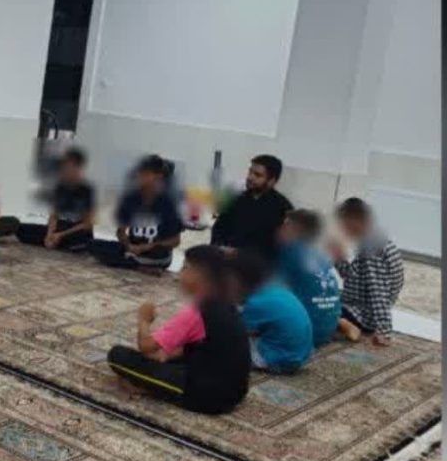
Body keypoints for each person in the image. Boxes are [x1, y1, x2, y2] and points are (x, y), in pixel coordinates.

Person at [106, 245, 250, 415]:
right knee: (167, 357)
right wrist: (166, 356)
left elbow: (146, 346)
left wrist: (144, 321)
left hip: (208, 398)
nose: (180, 274)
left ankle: (147, 388)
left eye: (185, 268)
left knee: (117, 356)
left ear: (201, 276)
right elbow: (200, 344)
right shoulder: (225, 302)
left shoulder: (197, 312)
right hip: (235, 392)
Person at [328, 198, 404, 346]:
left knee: (319, 307)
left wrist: (384, 330)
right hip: (359, 305)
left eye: (343, 225)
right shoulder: (374, 241)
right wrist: (338, 258)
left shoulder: (372, 250)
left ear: (355, 221)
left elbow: (378, 292)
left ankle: (346, 324)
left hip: (363, 315)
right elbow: (353, 277)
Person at [89, 154, 181, 271]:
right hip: (133, 249)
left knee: (117, 258)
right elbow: (121, 232)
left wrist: (147, 247)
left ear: (158, 177)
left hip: (156, 253)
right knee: (93, 245)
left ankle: (136, 262)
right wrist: (129, 246)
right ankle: (135, 262)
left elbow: (175, 241)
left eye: (146, 174)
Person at [230, 250, 313, 374]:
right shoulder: (276, 289)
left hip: (279, 361)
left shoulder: (254, 303)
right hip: (301, 356)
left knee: (228, 343)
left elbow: (238, 332)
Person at [276, 209, 342, 347]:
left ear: (293, 230)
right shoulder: (320, 254)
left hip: (302, 333)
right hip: (326, 329)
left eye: (285, 225)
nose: (279, 229)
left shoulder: (289, 252)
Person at [211, 154, 293, 261]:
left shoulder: (283, 208)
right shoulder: (237, 199)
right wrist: (219, 249)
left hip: (258, 265)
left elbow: (280, 248)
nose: (250, 177)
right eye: (250, 172)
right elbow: (219, 228)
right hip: (226, 260)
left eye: (257, 175)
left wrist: (240, 254)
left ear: (272, 181)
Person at [16, 147, 96, 252]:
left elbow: (88, 224)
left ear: (78, 168)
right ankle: (53, 242)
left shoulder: (87, 190)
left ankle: (59, 242)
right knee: (22, 229)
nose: (65, 170)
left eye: (68, 167)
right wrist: (49, 234)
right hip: (60, 227)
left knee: (85, 240)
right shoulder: (60, 188)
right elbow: (53, 215)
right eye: (64, 167)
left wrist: (60, 235)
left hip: (74, 231)